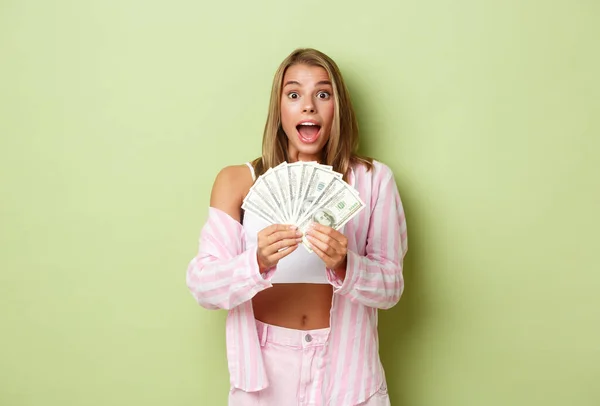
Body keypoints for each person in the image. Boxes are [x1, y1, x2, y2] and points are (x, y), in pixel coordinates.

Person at [186, 48, 408, 406]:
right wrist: (255, 261)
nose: (309, 106)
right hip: (264, 373)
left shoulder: (373, 180)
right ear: (280, 110)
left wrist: (345, 264)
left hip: (349, 372)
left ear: (339, 108)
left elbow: (391, 288)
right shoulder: (237, 181)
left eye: (323, 94)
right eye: (294, 94)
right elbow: (203, 286)